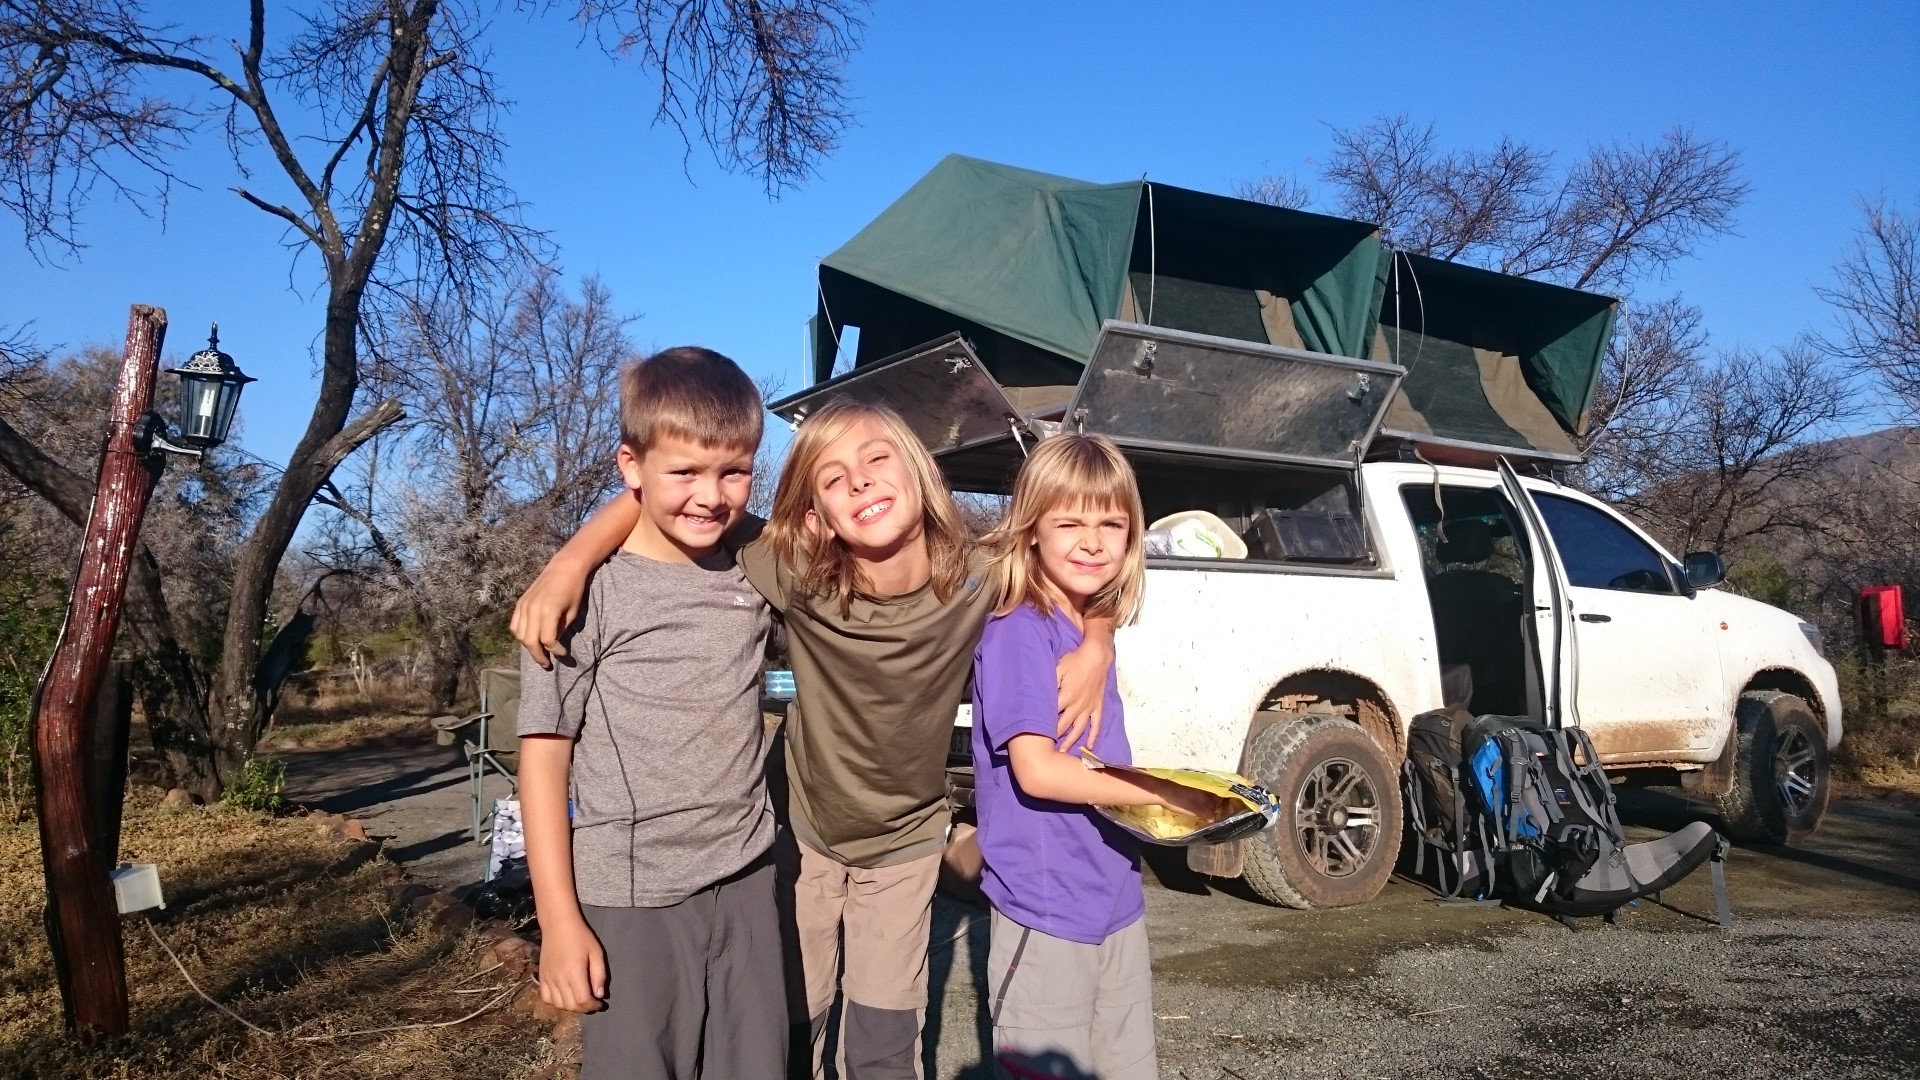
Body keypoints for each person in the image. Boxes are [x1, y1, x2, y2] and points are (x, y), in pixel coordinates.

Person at [513, 397, 1116, 1080]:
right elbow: (675, 500)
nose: (859, 481)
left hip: (905, 843)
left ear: (921, 471)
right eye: (833, 478)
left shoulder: (979, 577)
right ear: (814, 516)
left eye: (877, 458)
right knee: (792, 1027)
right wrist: (569, 562)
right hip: (801, 836)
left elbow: (1081, 562)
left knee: (886, 1042)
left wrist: (1096, 639)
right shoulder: (798, 572)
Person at [516, 346, 785, 1080]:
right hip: (632, 894)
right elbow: (543, 759)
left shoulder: (751, 568)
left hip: (747, 875)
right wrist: (558, 921)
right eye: (685, 472)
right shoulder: (583, 598)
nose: (711, 496)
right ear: (630, 467)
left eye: (735, 471)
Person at [972, 434, 1224, 1080]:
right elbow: (1036, 769)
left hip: (1115, 896)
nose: (1092, 542)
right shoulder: (1017, 631)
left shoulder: (1085, 623)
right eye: (1069, 523)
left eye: (1111, 524)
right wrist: (1167, 795)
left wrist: (1098, 636)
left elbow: (1102, 614)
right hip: (1045, 909)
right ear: (1031, 531)